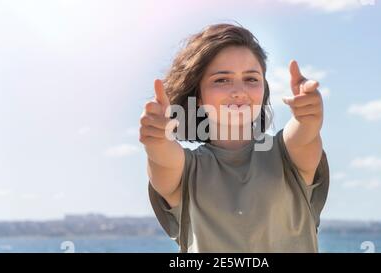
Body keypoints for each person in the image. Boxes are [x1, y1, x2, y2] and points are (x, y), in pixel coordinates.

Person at [139, 23, 329, 253]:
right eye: (221, 80)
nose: (239, 90)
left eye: (251, 79)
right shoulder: (187, 169)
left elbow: (305, 136)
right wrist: (157, 139)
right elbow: (162, 159)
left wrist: (309, 116)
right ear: (198, 95)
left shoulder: (285, 154)